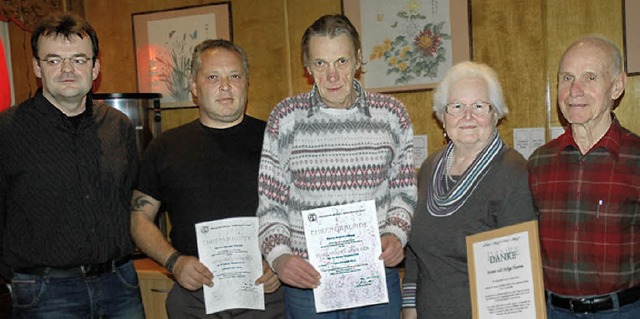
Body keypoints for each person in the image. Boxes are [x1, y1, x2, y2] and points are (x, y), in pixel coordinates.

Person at [257, 14, 417, 318]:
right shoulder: (285, 118)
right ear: (307, 66)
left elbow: (404, 192)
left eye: (341, 61)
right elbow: (270, 204)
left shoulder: (391, 115)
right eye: (320, 63)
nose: (332, 76)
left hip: (375, 280)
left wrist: (397, 233)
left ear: (358, 59)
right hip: (307, 284)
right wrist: (279, 258)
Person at [0, 13, 144, 318]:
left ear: (95, 67)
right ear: (38, 67)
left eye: (79, 59)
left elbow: (126, 197)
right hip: (43, 292)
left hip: (120, 284)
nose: (67, 69)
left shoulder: (118, 125)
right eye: (54, 60)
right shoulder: (7, 131)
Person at [130, 39, 285, 318]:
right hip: (194, 298)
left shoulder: (277, 141)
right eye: (213, 77)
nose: (225, 86)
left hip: (267, 294)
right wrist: (173, 261)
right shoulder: (166, 147)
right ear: (193, 86)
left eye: (234, 76)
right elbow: (138, 218)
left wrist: (281, 261)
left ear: (246, 83)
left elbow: (305, 212)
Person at [401, 61, 537, 318]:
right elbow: (415, 253)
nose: (467, 116)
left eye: (478, 106)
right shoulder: (430, 168)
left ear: (496, 113)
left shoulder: (512, 172)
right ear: (442, 116)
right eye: (457, 106)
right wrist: (409, 308)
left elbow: (517, 274)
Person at [528, 35, 640, 318]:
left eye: (590, 77)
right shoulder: (538, 163)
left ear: (617, 86)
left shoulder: (637, 158)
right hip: (553, 311)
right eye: (567, 78)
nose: (574, 90)